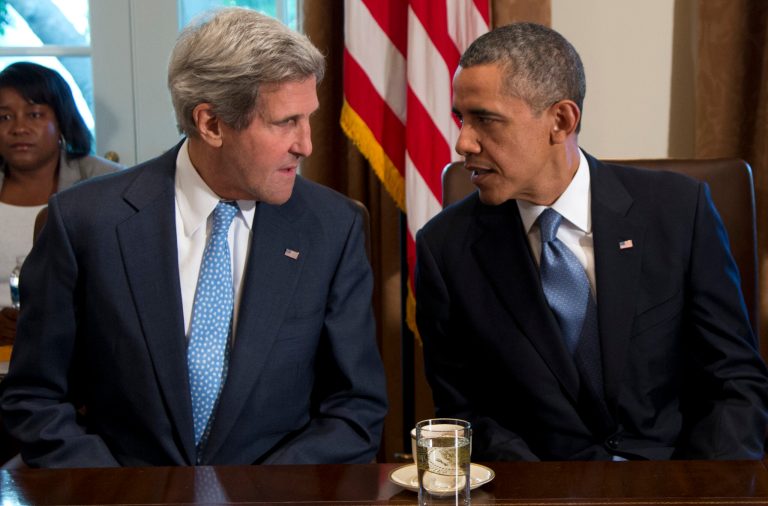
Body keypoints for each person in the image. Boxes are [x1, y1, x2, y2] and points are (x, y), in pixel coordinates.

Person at [0, 7, 387, 467]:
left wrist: (256, 496)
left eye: (308, 119)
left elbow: (355, 411)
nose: (306, 144)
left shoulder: (332, 227)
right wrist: (122, 495)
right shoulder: (85, 221)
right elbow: (35, 398)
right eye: (286, 122)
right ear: (211, 124)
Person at [415, 22, 768, 461]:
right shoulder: (444, 248)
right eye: (461, 119)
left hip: (674, 482)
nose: (463, 142)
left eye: (485, 119)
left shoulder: (678, 211)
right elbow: (467, 414)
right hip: (539, 489)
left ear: (560, 120)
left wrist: (707, 492)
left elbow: (732, 380)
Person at [0, 62, 121, 346]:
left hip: (81, 347)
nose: (19, 128)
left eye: (34, 114)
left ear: (62, 121)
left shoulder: (110, 182)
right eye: (4, 117)